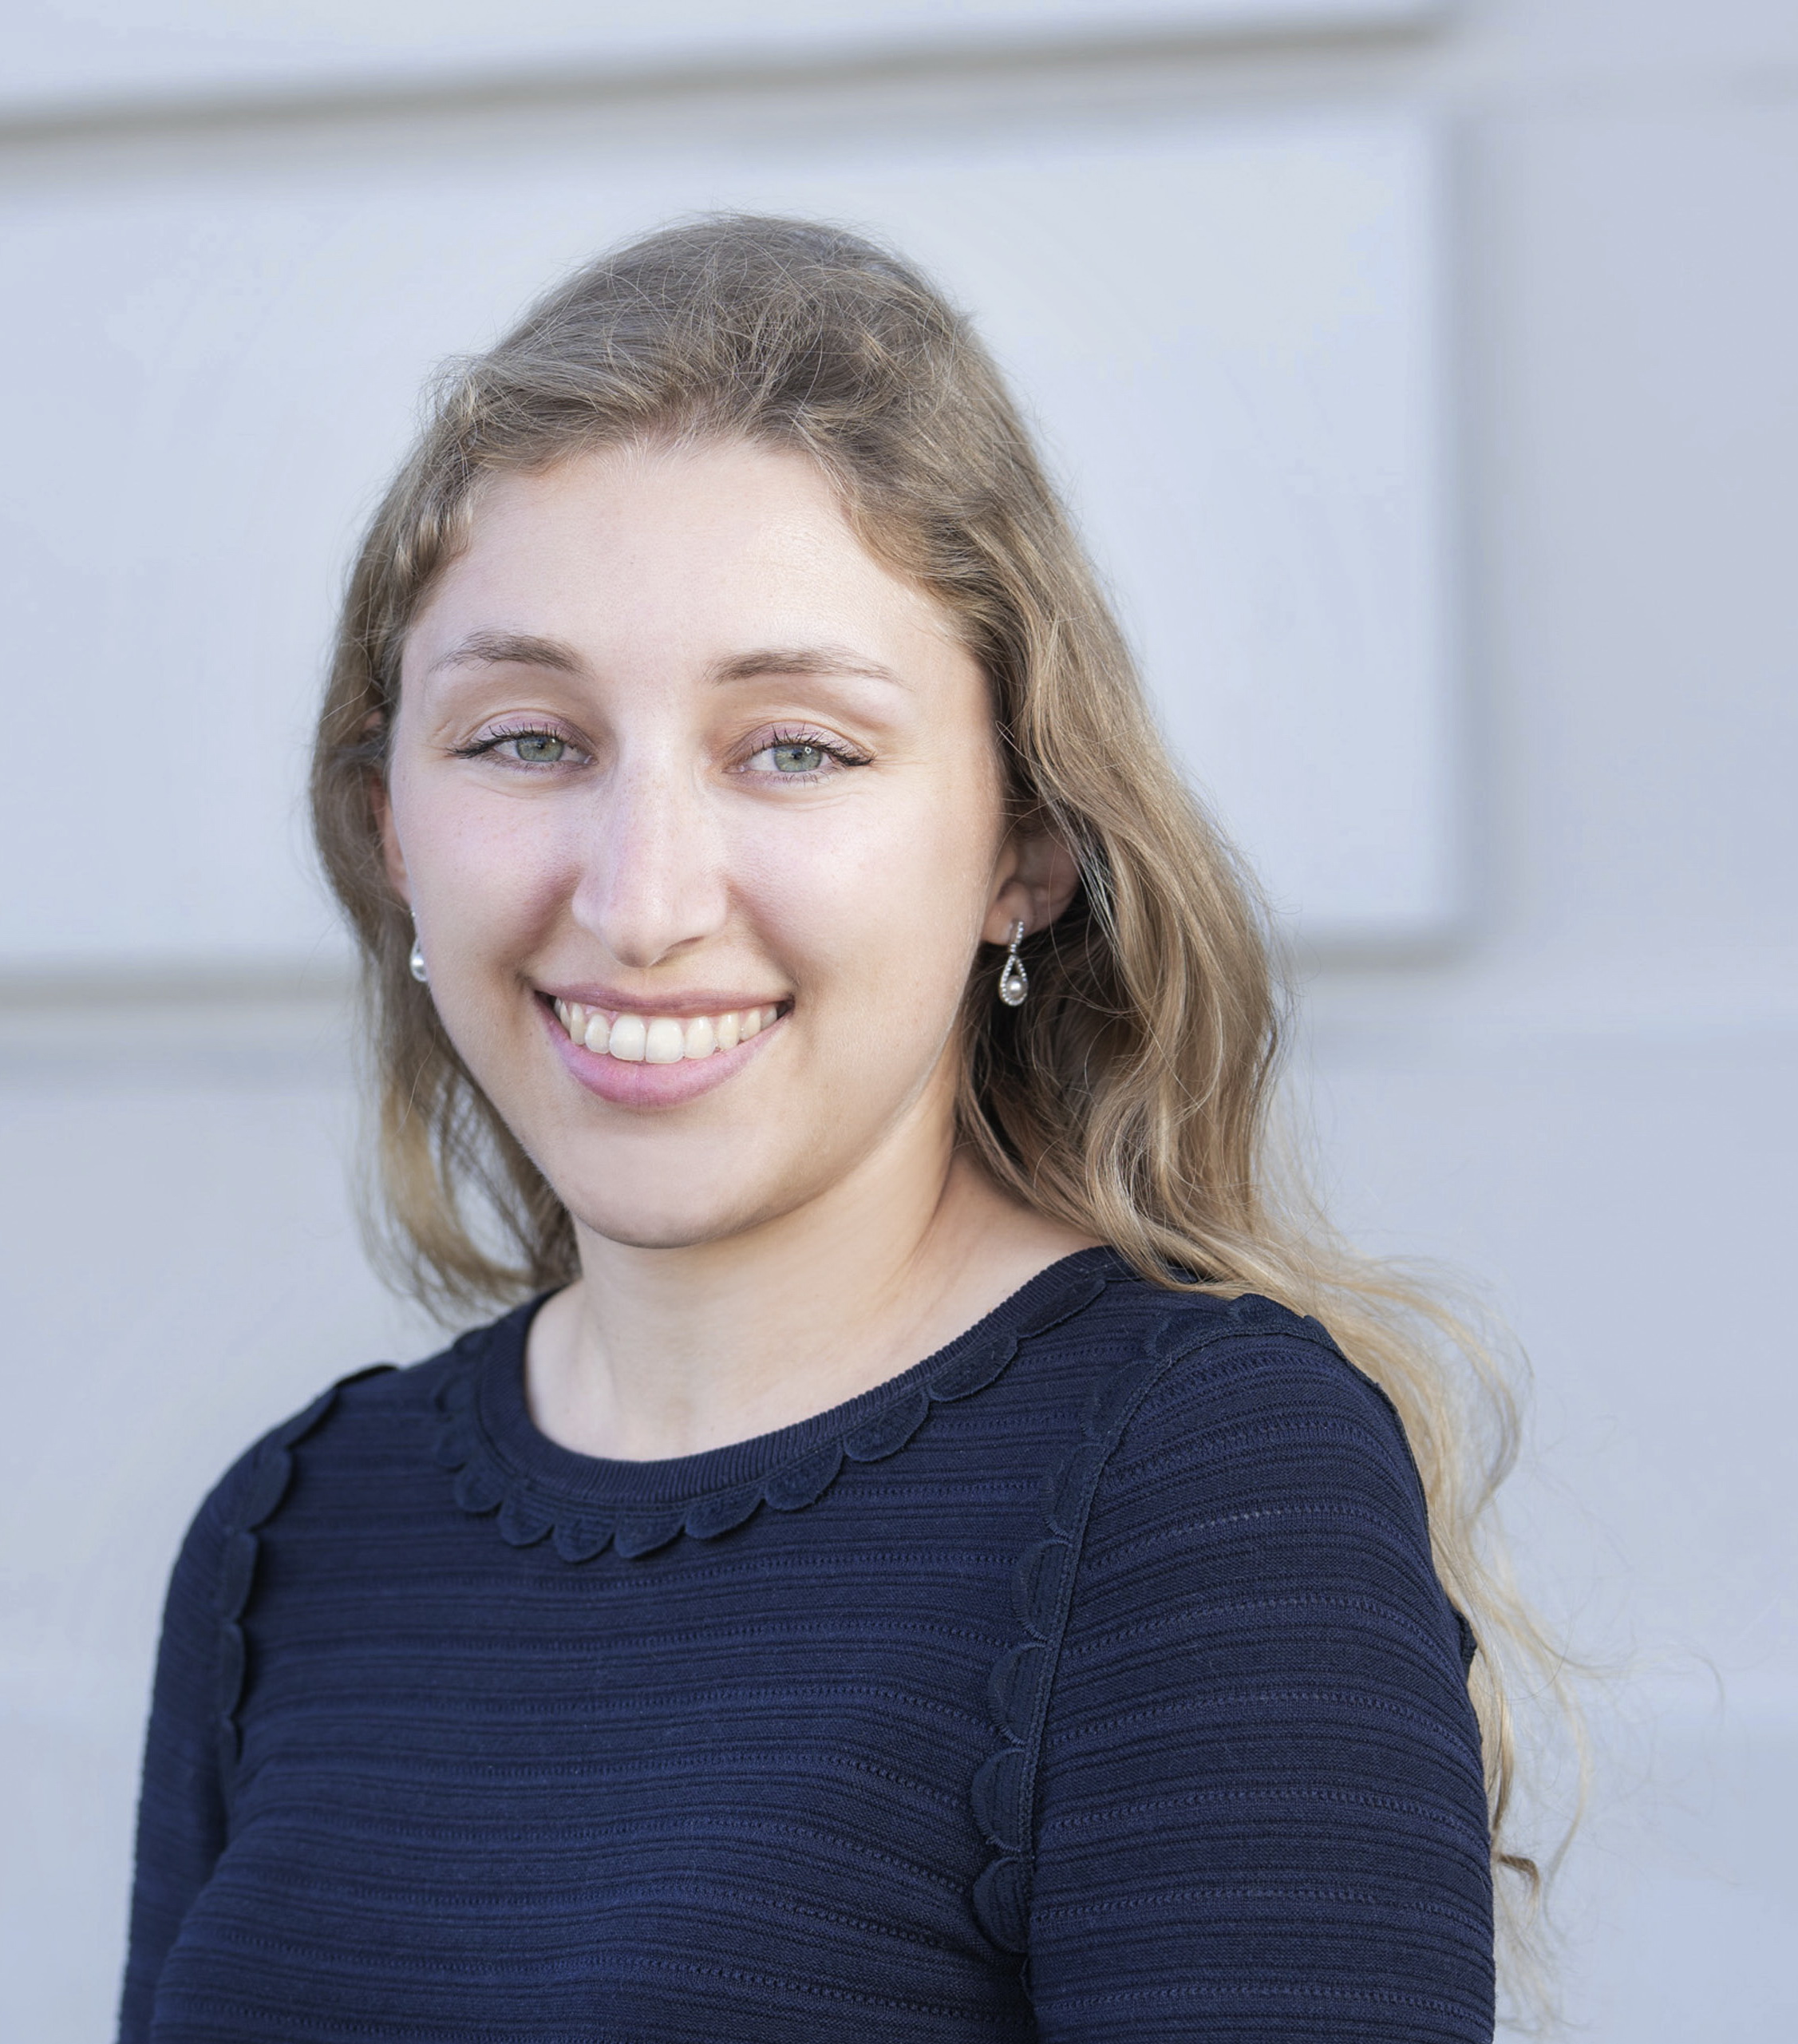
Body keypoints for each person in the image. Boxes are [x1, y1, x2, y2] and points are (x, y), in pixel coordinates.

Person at [119, 215, 1523, 2042]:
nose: (638, 900)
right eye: (528, 739)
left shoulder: (1202, 1500)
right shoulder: (292, 1539)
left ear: (1024, 844)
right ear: (392, 822)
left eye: (794, 748)